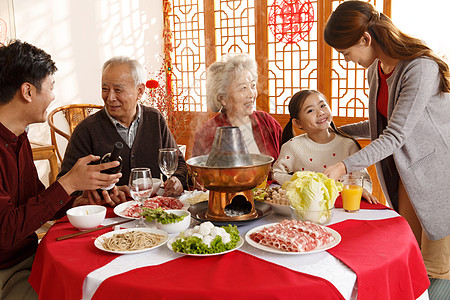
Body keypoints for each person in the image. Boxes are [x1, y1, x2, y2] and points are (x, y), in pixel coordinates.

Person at [323, 0, 450, 279]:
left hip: (437, 173)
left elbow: (395, 135)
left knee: (435, 269)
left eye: (346, 53)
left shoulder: (420, 69)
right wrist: (338, 130)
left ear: (365, 38)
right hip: (409, 173)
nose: (347, 61)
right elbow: (380, 124)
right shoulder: (376, 71)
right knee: (409, 255)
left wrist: (343, 166)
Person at [0, 40, 122, 299]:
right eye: (51, 87)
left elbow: (35, 202)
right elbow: (5, 233)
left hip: (31, 256)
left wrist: (80, 198)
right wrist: (68, 183)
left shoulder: (19, 138)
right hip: (7, 271)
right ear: (28, 91)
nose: (53, 96)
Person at [59, 56, 188, 202]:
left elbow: (179, 164)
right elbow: (65, 186)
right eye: (105, 89)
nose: (110, 97)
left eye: (118, 90)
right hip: (107, 215)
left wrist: (177, 180)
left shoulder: (154, 119)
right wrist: (101, 193)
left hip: (153, 211)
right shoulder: (87, 130)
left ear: (139, 91)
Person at [272, 90, 377, 204]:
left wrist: (363, 189)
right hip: (309, 207)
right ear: (298, 123)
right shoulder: (293, 147)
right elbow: (276, 173)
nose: (320, 112)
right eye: (310, 110)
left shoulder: (348, 145)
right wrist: (300, 182)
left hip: (344, 205)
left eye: (322, 105)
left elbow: (361, 176)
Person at [192, 53, 282, 161]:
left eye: (253, 86)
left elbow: (288, 162)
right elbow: (200, 173)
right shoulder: (207, 134)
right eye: (243, 88)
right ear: (222, 98)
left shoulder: (267, 122)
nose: (251, 94)